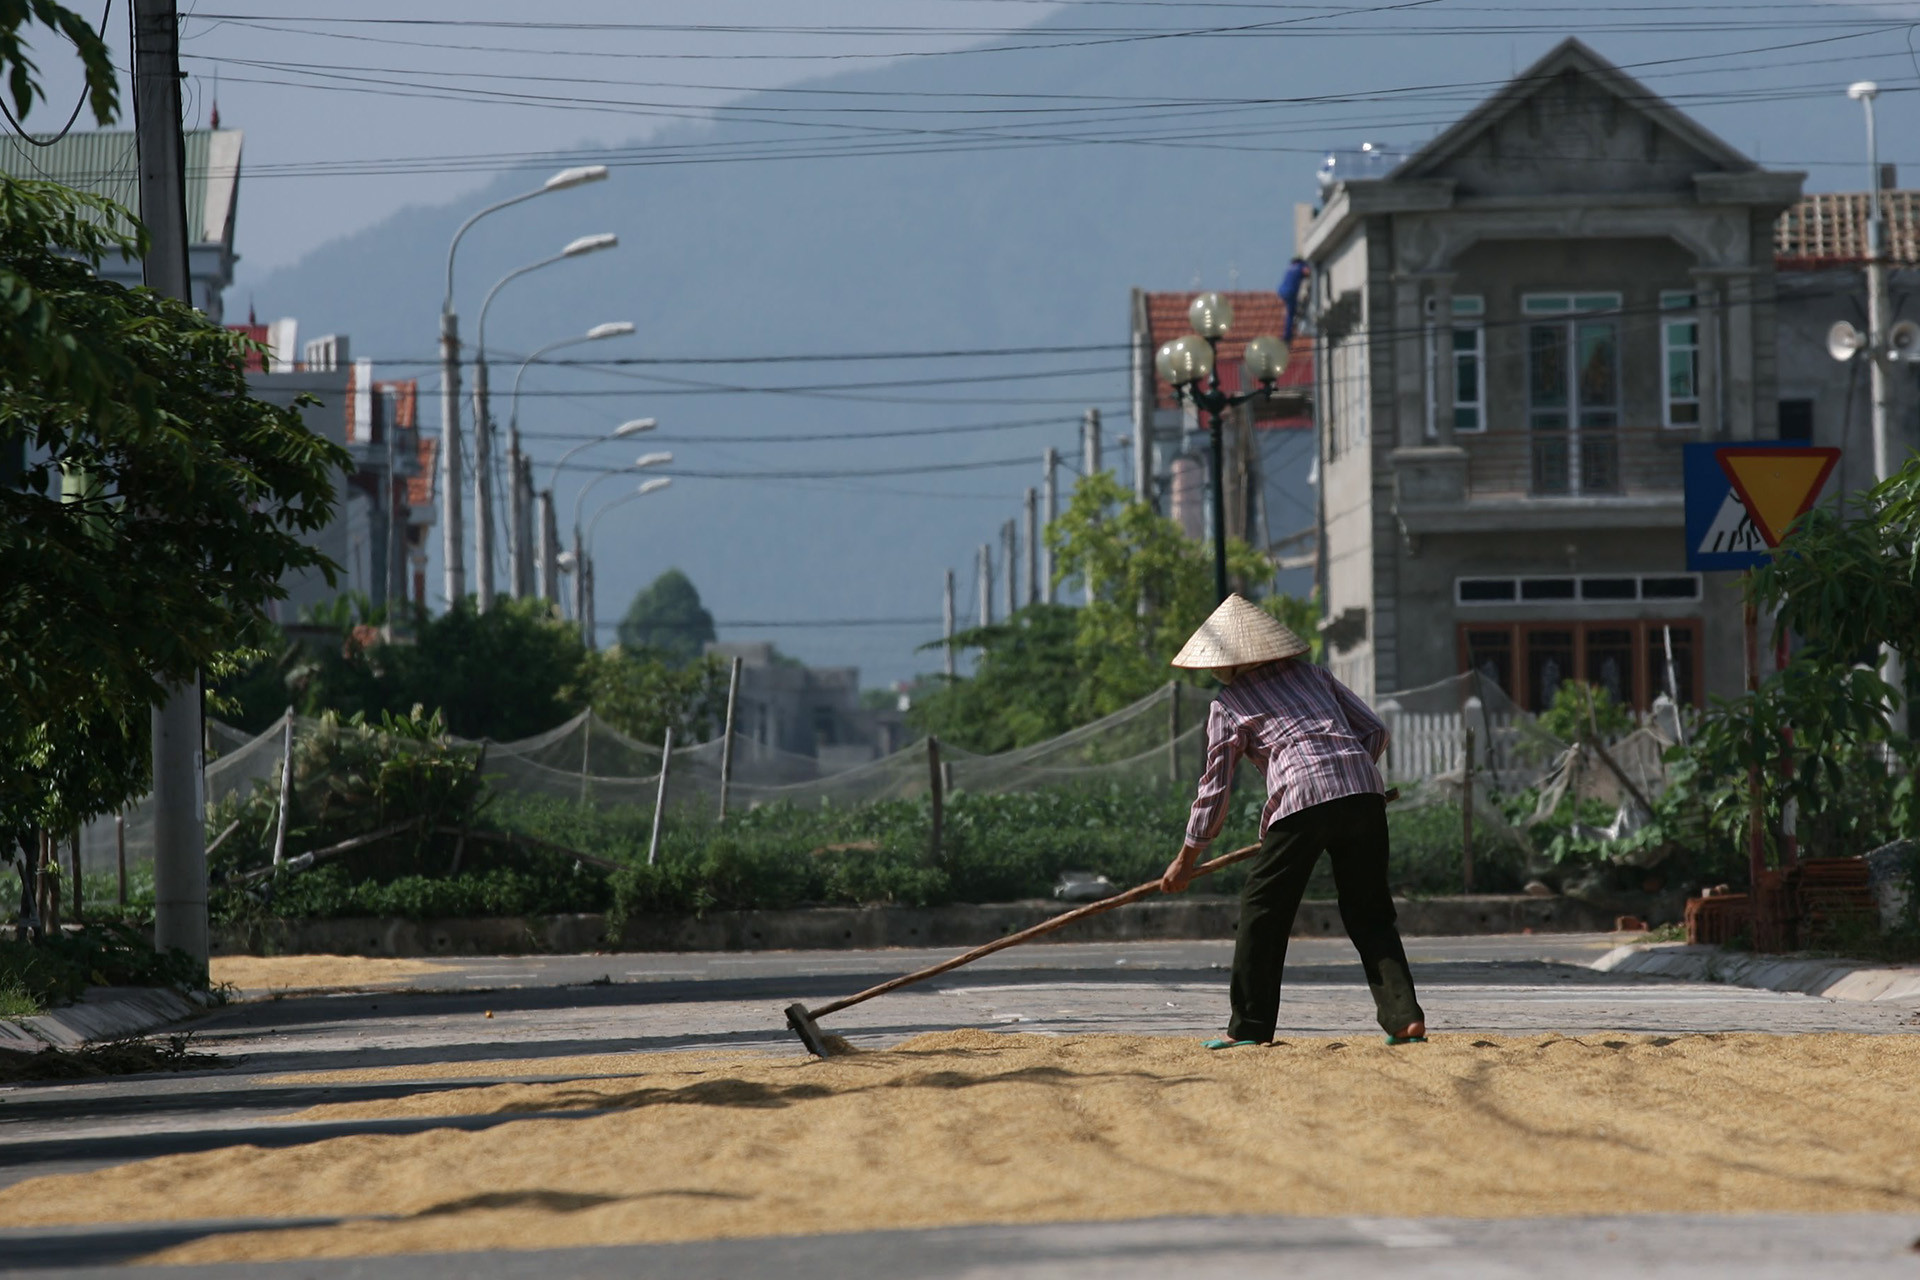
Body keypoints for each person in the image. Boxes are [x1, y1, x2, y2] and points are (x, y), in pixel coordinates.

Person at [1159, 594, 1425, 1049]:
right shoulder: (1314, 676)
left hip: (1302, 801)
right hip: (1364, 790)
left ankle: (1249, 1027)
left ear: (1229, 665)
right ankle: (1405, 1018)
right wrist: (1349, 774)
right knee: (1370, 911)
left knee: (1263, 911)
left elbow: (1214, 790)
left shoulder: (1228, 705)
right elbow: (1375, 730)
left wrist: (1186, 859)